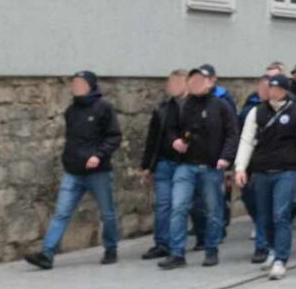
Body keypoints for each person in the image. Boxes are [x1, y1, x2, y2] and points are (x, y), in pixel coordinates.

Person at [23, 71, 122, 270]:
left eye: (80, 83)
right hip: (73, 172)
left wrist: (98, 155)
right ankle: (47, 254)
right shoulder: (71, 110)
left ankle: (111, 248)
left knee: (107, 214)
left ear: (91, 86)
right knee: (61, 213)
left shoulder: (104, 108)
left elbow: (114, 137)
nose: (75, 86)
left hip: (98, 172)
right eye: (74, 83)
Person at [232, 74, 296, 280]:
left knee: (281, 214)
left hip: (286, 171)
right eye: (270, 88)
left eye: (277, 88)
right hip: (262, 170)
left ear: (285, 90)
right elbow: (246, 140)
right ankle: (272, 249)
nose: (273, 92)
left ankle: (281, 258)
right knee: (265, 216)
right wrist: (240, 167)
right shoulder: (256, 112)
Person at [157, 66, 238, 269]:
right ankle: (177, 252)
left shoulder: (220, 106)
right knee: (179, 207)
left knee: (212, 209)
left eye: (200, 80)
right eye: (191, 81)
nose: (195, 85)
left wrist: (226, 158)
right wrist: (176, 140)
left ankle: (211, 249)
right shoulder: (183, 106)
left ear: (209, 83)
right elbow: (171, 129)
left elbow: (232, 134)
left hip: (210, 166)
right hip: (185, 165)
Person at [139, 69, 189, 261]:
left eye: (177, 82)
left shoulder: (193, 108)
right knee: (163, 204)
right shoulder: (162, 109)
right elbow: (153, 139)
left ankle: (198, 239)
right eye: (171, 83)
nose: (173, 87)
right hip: (164, 162)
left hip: (185, 164)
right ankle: (162, 243)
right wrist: (147, 166)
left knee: (181, 205)